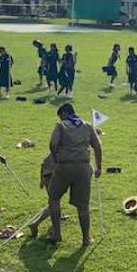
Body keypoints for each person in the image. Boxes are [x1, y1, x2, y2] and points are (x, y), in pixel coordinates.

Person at [46, 103, 102, 245]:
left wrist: (55, 158)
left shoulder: (61, 126)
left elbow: (53, 144)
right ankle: (86, 238)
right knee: (83, 205)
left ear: (65, 113)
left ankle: (57, 234)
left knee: (54, 199)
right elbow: (97, 146)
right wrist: (99, 167)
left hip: (64, 166)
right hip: (83, 167)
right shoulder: (87, 126)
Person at [27, 153, 57, 237]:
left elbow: (43, 165)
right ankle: (36, 224)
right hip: (54, 177)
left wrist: (41, 180)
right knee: (54, 204)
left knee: (53, 203)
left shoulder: (52, 152)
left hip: (47, 177)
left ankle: (53, 227)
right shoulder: (64, 150)